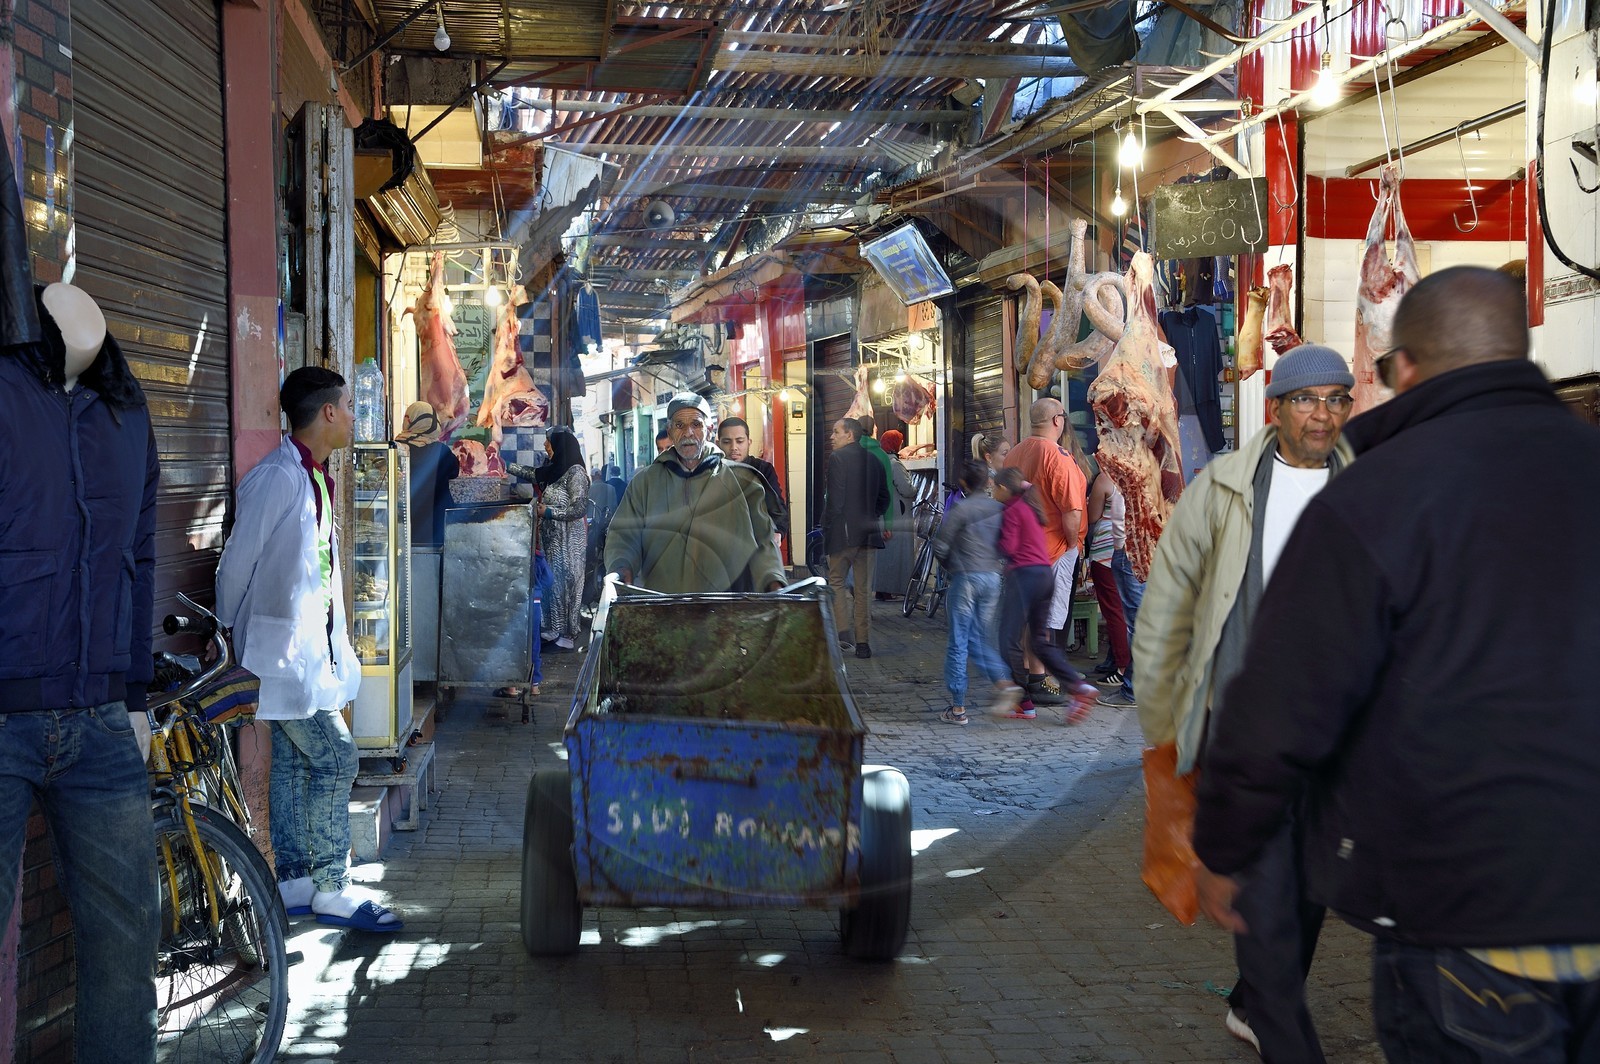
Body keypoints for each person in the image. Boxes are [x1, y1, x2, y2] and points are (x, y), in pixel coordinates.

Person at [1194, 269, 1600, 1063]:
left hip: (1462, 920)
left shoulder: (1373, 499)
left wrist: (1227, 845)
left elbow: (1281, 705)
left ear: (1403, 368)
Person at [1134, 342, 1357, 1058]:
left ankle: (1254, 996)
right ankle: (1272, 1015)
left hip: (1336, 731)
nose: (1322, 415)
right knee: (1263, 876)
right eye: (1306, 400)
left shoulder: (1368, 488)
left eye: (1335, 400)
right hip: (1245, 722)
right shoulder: (1226, 487)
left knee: (1314, 879)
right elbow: (1168, 602)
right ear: (1277, 409)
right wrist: (1164, 721)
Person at [0, 283, 160, 1057]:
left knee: (128, 945)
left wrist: (134, 696)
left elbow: (141, 553)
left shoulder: (127, 413)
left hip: (100, 723)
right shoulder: (3, 391)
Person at [217, 366, 402, 934]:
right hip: (277, 658)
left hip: (306, 655)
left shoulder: (312, 475)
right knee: (338, 757)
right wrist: (227, 638)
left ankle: (294, 883)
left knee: (297, 765)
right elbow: (234, 568)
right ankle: (333, 888)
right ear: (326, 412)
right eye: (348, 405)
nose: (353, 414)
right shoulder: (274, 478)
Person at [606, 393, 786, 594]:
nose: (688, 433)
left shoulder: (742, 481)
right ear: (670, 432)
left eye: (696, 424)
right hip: (664, 607)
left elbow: (763, 539)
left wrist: (773, 580)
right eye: (679, 425)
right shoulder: (645, 482)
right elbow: (623, 535)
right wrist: (622, 566)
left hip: (727, 606)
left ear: (709, 430)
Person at [991, 467, 1097, 723]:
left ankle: (1023, 703)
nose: (993, 493)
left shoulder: (1012, 510)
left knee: (1009, 640)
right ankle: (1078, 687)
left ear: (1004, 489)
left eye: (994, 488)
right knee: (1040, 641)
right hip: (1043, 577)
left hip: (1023, 578)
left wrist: (992, 540)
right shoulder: (1029, 507)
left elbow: (1008, 547)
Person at [1002, 398, 1086, 706]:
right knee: (1047, 620)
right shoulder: (1057, 456)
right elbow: (1072, 512)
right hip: (1053, 548)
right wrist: (1074, 545)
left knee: (1029, 618)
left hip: (1022, 551)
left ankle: (1028, 673)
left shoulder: (1014, 452)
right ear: (1057, 421)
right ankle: (1038, 677)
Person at [931, 461, 1016, 725]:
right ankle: (1003, 681)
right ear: (988, 483)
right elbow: (1006, 544)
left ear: (964, 484)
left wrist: (949, 566)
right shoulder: (1000, 509)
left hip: (966, 578)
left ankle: (958, 708)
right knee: (982, 639)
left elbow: (941, 545)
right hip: (992, 578)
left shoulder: (960, 509)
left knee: (959, 641)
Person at [511, 428, 589, 650]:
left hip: (569, 543)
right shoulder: (556, 471)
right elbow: (534, 474)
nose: (546, 446)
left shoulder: (576, 473)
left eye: (549, 442)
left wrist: (548, 512)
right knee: (553, 584)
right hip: (552, 542)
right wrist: (504, 464)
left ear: (561, 445)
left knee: (568, 583)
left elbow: (579, 508)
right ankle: (553, 629)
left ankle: (568, 634)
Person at [823, 417, 889, 659]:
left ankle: (843, 633)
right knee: (863, 590)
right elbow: (885, 498)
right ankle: (863, 643)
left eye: (835, 432)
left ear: (849, 435)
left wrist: (827, 525)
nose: (831, 437)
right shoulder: (875, 460)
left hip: (843, 535)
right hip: (868, 536)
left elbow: (835, 500)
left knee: (837, 582)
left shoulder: (837, 458)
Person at [1085, 466, 1137, 709]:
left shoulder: (1106, 479)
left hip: (1106, 551)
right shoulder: (1137, 473)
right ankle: (1117, 660)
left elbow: (1092, 516)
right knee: (1126, 610)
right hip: (1133, 549)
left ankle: (1123, 667)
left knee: (1114, 612)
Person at [395, 400, 459, 550]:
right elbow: (454, 472)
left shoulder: (397, 449)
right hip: (438, 526)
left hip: (405, 525)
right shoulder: (440, 451)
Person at [717, 415, 788, 546]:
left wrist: (778, 532)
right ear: (718, 443)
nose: (734, 447)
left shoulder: (763, 470)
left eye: (739, 441)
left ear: (749, 442)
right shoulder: (711, 473)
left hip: (757, 547)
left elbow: (777, 509)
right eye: (727, 442)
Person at [873, 428, 918, 598]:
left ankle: (882, 589)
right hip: (897, 514)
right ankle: (890, 589)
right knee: (895, 554)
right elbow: (906, 489)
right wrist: (915, 488)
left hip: (883, 514)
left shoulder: (879, 460)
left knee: (884, 555)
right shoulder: (895, 464)